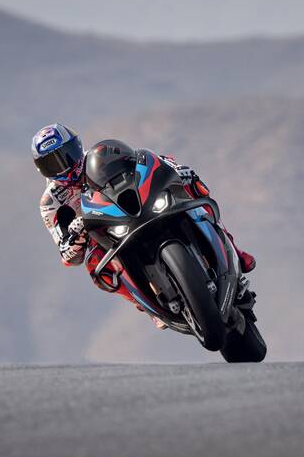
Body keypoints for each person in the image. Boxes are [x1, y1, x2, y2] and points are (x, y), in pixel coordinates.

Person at [33, 123, 254, 329]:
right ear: (42, 170)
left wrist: (176, 169)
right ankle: (144, 305)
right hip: (108, 234)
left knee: (192, 190)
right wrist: (76, 235)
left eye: (67, 154)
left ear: (77, 146)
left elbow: (145, 160)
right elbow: (67, 255)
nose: (64, 165)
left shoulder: (102, 155)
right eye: (52, 163)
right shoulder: (50, 202)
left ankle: (234, 249)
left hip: (142, 207)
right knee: (96, 267)